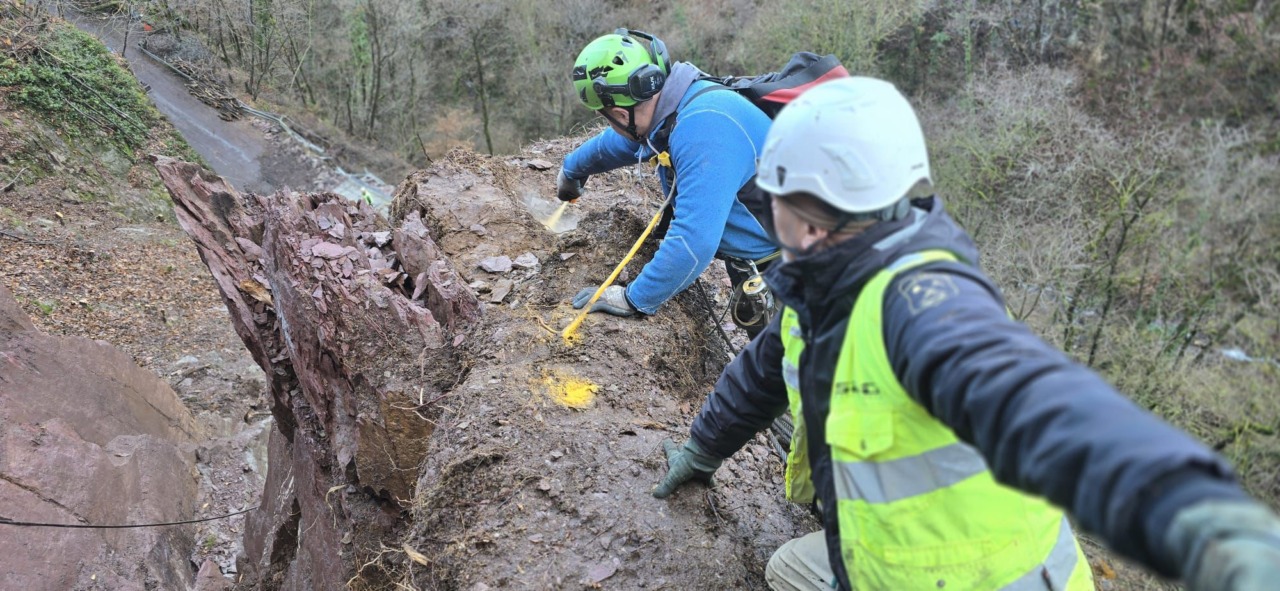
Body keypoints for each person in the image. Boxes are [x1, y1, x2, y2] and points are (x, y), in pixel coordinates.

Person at [652, 76, 1280, 590]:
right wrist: (701, 452)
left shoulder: (922, 303)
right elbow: (760, 376)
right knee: (790, 567)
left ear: (807, 219)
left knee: (787, 571)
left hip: (1002, 578)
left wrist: (1196, 521)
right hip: (916, 564)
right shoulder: (820, 290)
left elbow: (1036, 402)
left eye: (770, 199)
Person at [558, 29, 779, 335]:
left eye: (607, 118)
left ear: (621, 114)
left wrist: (633, 298)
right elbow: (626, 143)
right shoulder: (675, 104)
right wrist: (573, 169)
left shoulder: (703, 128)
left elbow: (694, 241)